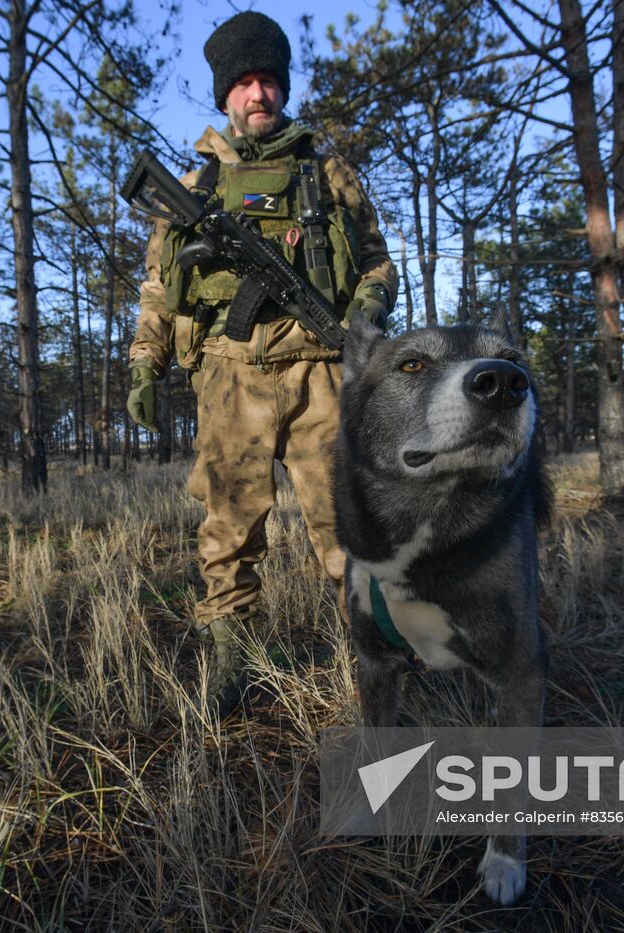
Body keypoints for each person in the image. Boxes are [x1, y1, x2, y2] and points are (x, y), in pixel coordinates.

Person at [126, 10, 397, 709]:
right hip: (228, 374)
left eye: (268, 80)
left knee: (347, 523)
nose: (258, 94)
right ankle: (231, 661)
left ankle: (379, 664)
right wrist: (144, 366)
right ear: (224, 94)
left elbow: (376, 261)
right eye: (243, 82)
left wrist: (367, 309)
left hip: (320, 372)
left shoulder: (326, 170)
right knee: (228, 525)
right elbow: (159, 290)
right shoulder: (194, 186)